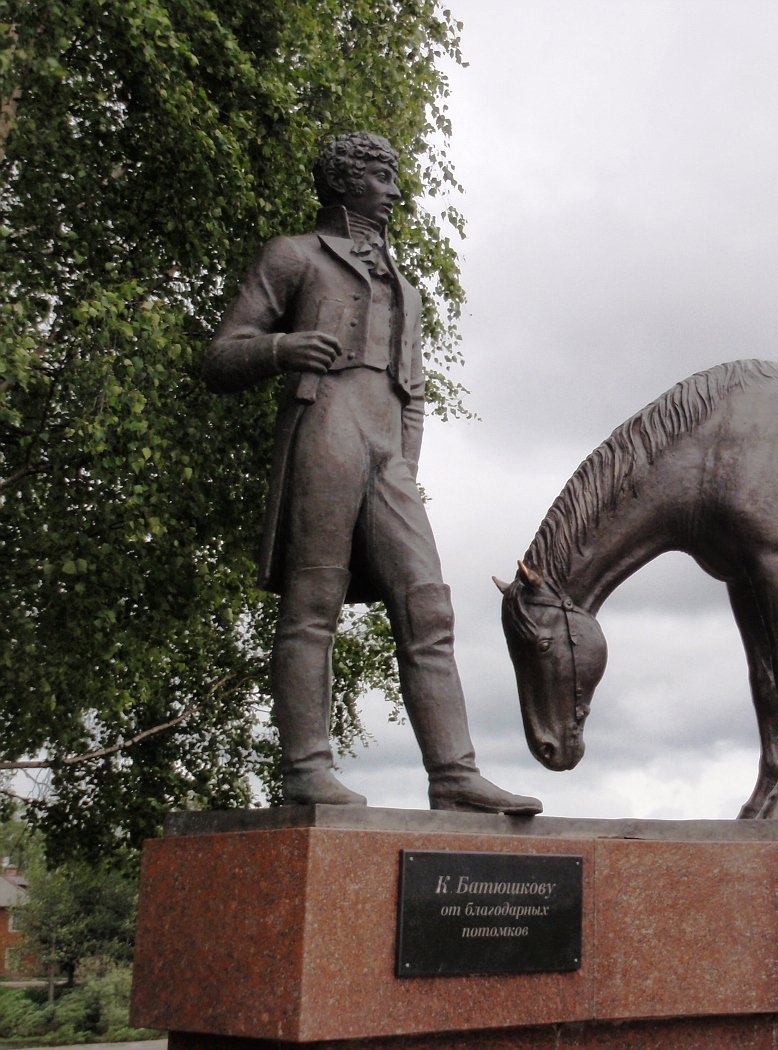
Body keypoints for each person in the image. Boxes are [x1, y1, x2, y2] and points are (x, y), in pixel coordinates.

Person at [203, 131, 541, 814]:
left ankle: (454, 774)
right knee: (313, 605)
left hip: (388, 453)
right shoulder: (294, 255)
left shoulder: (406, 288)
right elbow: (220, 356)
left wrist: (404, 469)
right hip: (324, 430)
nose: (394, 190)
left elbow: (413, 391)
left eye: (393, 177)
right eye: (381, 177)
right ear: (344, 182)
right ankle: (306, 769)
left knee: (427, 604)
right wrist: (282, 348)